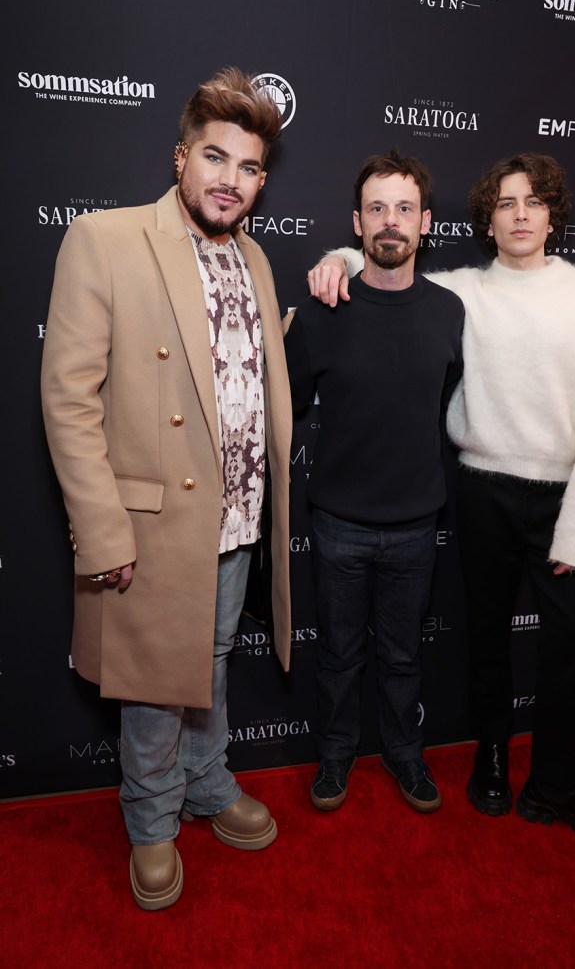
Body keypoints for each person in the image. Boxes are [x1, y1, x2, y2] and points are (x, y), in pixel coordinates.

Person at [307, 152, 575, 844]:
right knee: (484, 643)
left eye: (533, 201)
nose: (520, 213)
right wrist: (336, 257)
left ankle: (557, 784)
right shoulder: (464, 292)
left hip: (563, 496)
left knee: (573, 645)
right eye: (506, 202)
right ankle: (489, 760)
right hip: (481, 488)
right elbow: (385, 265)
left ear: (553, 215)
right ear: (487, 218)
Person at [41, 67, 293, 910]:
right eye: (214, 157)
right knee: (155, 679)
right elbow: (69, 398)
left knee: (211, 662)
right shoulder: (105, 239)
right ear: (179, 156)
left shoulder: (255, 255)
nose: (230, 179)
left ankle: (207, 780)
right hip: (151, 521)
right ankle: (150, 817)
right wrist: (103, 531)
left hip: (237, 516)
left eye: (249, 167)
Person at [284, 150, 464, 814]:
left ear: (426, 224)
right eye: (378, 208)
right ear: (356, 223)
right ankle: (334, 757)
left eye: (405, 208)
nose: (392, 221)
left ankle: (404, 754)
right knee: (337, 655)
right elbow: (285, 404)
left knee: (402, 654)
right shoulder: (322, 311)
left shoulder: (452, 311)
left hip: (418, 523)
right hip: (337, 524)